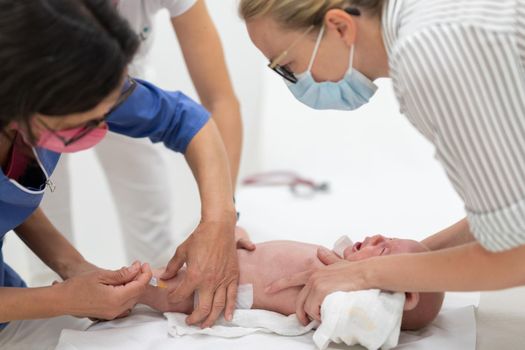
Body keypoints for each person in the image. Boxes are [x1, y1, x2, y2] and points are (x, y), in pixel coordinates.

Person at [237, 0, 525, 325]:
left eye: (286, 66)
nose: (292, 82)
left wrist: (367, 274)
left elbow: (516, 253)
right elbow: (514, 215)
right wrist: (402, 259)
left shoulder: (429, 52)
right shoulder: (429, 21)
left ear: (340, 26)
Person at [0, 0, 239, 346]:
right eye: (84, 122)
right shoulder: (44, 92)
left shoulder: (76, 85)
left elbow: (187, 121)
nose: (103, 126)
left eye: (107, 112)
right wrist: (62, 299)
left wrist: (219, 220)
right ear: (21, 106)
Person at [33, 0, 242, 285]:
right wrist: (67, 273)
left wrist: (222, 217)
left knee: (156, 250)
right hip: (35, 93)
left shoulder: (122, 96)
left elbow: (213, 104)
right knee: (37, 201)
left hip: (119, 89)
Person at [141, 229, 444, 331]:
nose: (375, 236)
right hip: (232, 256)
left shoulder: (349, 299)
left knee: (151, 285)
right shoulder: (339, 265)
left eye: (384, 248)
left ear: (402, 298)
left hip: (215, 291)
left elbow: (356, 322)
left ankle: (131, 293)